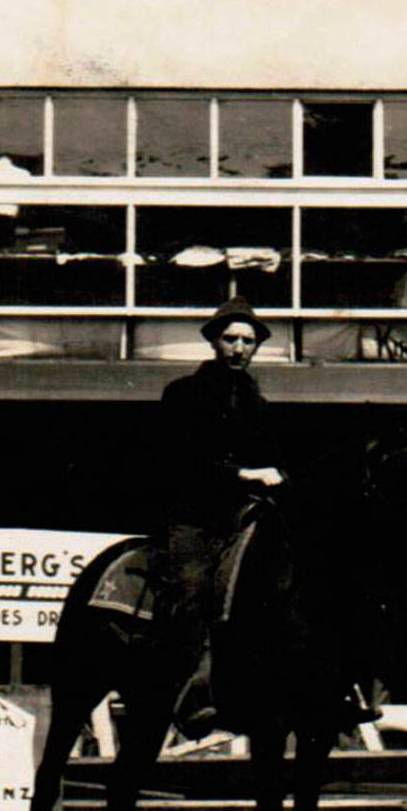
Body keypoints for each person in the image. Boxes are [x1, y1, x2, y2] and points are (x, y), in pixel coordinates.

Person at [157, 297, 285, 738]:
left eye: (248, 341)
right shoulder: (182, 394)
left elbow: (275, 459)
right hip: (196, 518)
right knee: (196, 591)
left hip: (246, 519)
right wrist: (244, 473)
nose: (239, 348)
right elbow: (176, 462)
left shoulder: (260, 404)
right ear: (214, 342)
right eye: (230, 338)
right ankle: (192, 694)